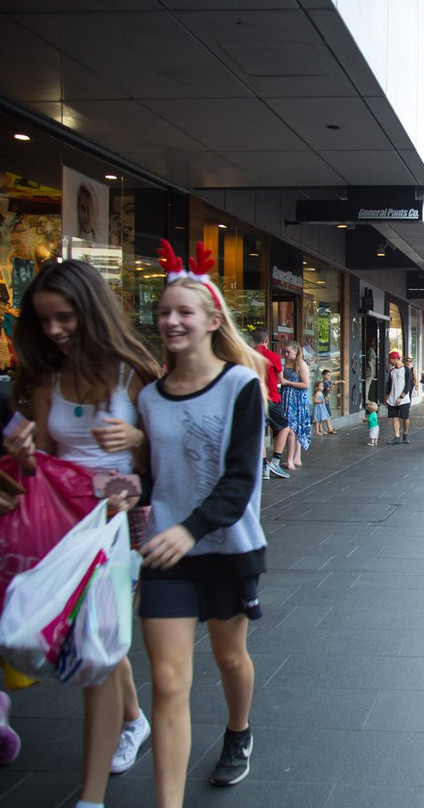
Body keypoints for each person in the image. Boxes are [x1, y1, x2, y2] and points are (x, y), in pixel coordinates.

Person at [4, 258, 158, 805]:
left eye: (64, 317)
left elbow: (165, 457)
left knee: (96, 639)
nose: (53, 331)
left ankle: (91, 797)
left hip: (121, 529)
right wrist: (22, 458)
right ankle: (134, 720)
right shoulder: (46, 378)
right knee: (101, 637)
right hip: (65, 530)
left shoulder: (132, 373)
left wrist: (137, 440)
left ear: (90, 312)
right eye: (44, 320)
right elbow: (43, 463)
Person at [136, 253, 268, 805]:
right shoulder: (146, 398)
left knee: (228, 657)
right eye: (164, 312)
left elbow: (240, 481)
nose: (171, 321)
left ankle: (238, 732)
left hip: (225, 548)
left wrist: (189, 530)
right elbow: (148, 479)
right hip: (165, 554)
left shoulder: (241, 385)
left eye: (184, 312)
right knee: (167, 683)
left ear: (212, 320)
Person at [252, 328, 292, 479]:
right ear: (267, 340)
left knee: (260, 433)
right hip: (271, 397)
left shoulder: (247, 355)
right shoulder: (272, 356)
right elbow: (280, 379)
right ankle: (275, 461)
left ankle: (264, 468)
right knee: (284, 427)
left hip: (254, 398)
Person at [280, 341, 311, 469]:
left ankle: (293, 458)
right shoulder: (287, 363)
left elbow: (306, 384)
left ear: (295, 351)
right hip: (287, 396)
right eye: (285, 352)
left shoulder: (301, 364)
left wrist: (287, 383)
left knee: (294, 428)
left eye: (288, 352)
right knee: (292, 428)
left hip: (297, 398)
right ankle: (294, 457)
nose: (286, 354)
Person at [385, 350, 413, 443]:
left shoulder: (406, 370)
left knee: (405, 417)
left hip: (404, 400)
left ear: (396, 359)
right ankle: (396, 436)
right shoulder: (392, 371)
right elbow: (389, 385)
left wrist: (401, 397)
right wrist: (387, 397)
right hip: (393, 398)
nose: (390, 361)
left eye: (391, 359)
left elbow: (408, 385)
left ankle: (405, 434)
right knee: (394, 417)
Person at [318, 369, 340, 434]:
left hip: (326, 400)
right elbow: (329, 390)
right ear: (323, 376)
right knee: (327, 414)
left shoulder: (328, 382)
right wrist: (334, 385)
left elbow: (331, 390)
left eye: (330, 375)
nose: (329, 376)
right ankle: (329, 428)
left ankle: (330, 427)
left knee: (329, 414)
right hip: (324, 400)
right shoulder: (325, 383)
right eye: (327, 375)